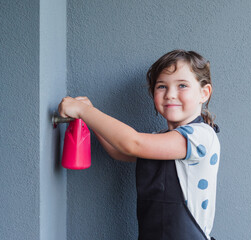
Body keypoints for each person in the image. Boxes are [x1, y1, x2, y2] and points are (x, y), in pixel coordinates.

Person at [58, 49, 220, 240]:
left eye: (182, 85)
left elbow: (133, 143)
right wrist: (90, 114)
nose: (170, 94)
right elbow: (119, 151)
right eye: (161, 86)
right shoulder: (161, 138)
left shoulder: (201, 136)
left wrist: (83, 111)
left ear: (204, 93)